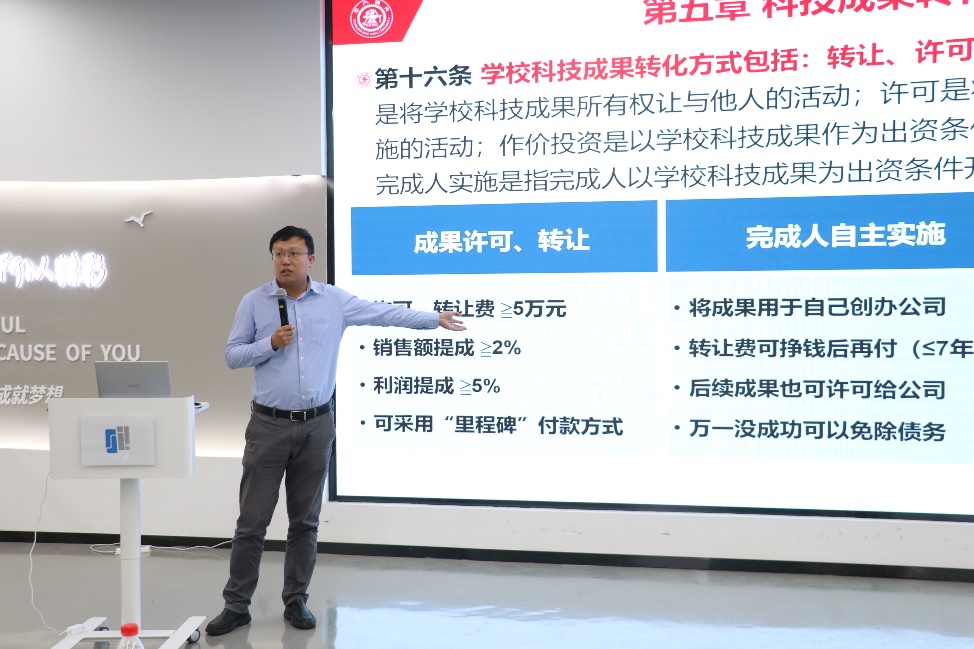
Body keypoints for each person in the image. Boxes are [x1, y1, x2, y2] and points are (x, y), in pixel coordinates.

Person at [206, 225, 465, 635]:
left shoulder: (334, 300)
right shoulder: (254, 302)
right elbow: (232, 356)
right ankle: (236, 606)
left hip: (317, 426)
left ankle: (296, 600)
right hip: (268, 426)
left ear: (311, 259)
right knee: (251, 523)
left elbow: (385, 313)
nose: (285, 260)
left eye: (294, 253)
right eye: (278, 254)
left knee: (304, 522)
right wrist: (270, 343)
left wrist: (434, 318)